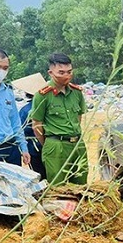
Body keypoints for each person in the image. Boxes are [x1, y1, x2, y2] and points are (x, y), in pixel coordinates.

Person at [30, 53, 88, 185]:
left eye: (69, 72)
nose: (66, 76)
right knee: (58, 187)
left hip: (77, 144)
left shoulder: (77, 93)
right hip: (55, 145)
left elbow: (78, 118)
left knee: (80, 185)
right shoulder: (43, 95)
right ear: (50, 73)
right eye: (61, 72)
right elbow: (37, 124)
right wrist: (48, 144)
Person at [13, 73, 48, 179]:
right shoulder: (49, 106)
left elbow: (20, 130)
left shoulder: (26, 110)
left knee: (40, 178)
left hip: (34, 149)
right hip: (51, 147)